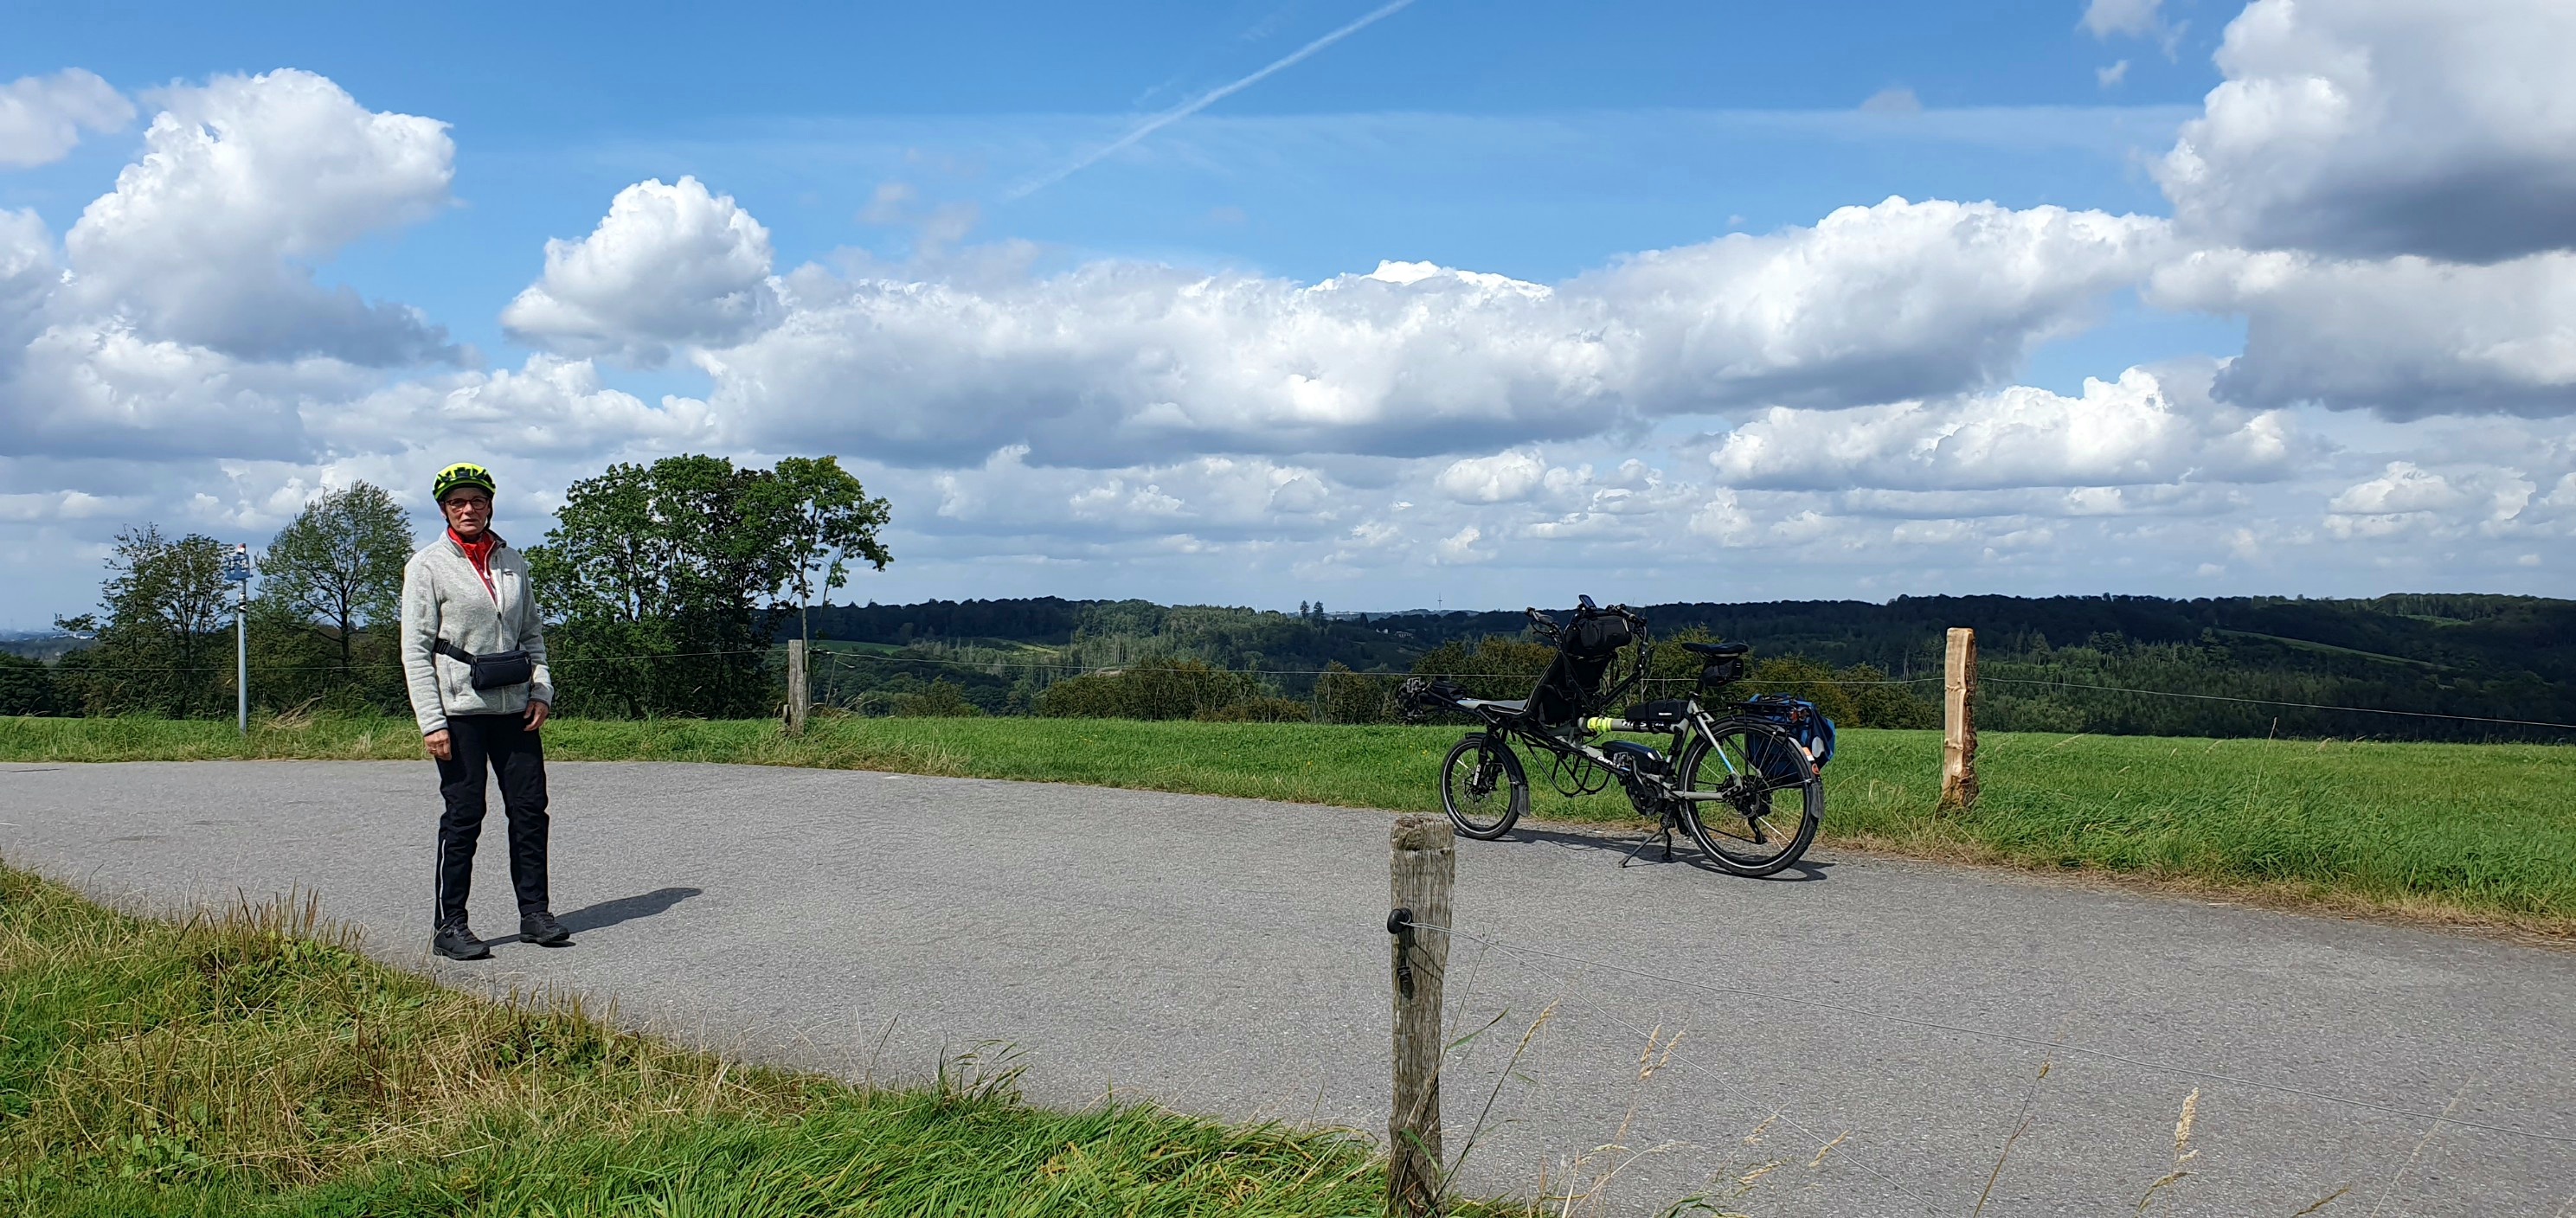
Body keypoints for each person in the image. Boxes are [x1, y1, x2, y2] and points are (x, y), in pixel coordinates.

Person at [401, 462, 569, 960]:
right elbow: (415, 649)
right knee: (464, 816)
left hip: (515, 707)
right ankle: (450, 924)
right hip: (459, 711)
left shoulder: (514, 561)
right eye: (457, 503)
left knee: (529, 811)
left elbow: (532, 636)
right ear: (444, 510)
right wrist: (432, 721)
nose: (468, 509)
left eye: (476, 500)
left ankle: (535, 914)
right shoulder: (427, 565)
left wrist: (542, 691)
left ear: (490, 504)